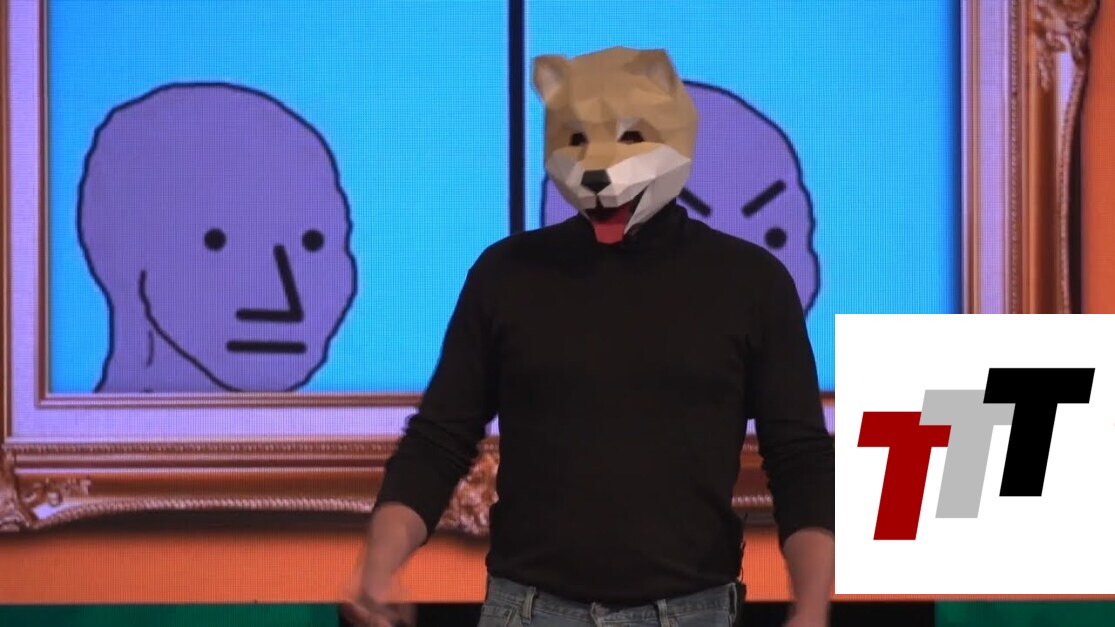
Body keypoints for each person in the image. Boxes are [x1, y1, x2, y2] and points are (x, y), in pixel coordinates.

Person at [344, 46, 835, 627]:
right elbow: (439, 438)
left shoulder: (751, 284)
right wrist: (378, 566)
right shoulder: (506, 275)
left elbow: (799, 456)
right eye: (576, 139)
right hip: (527, 610)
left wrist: (812, 606)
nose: (599, 169)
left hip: (690, 611)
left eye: (630, 138)